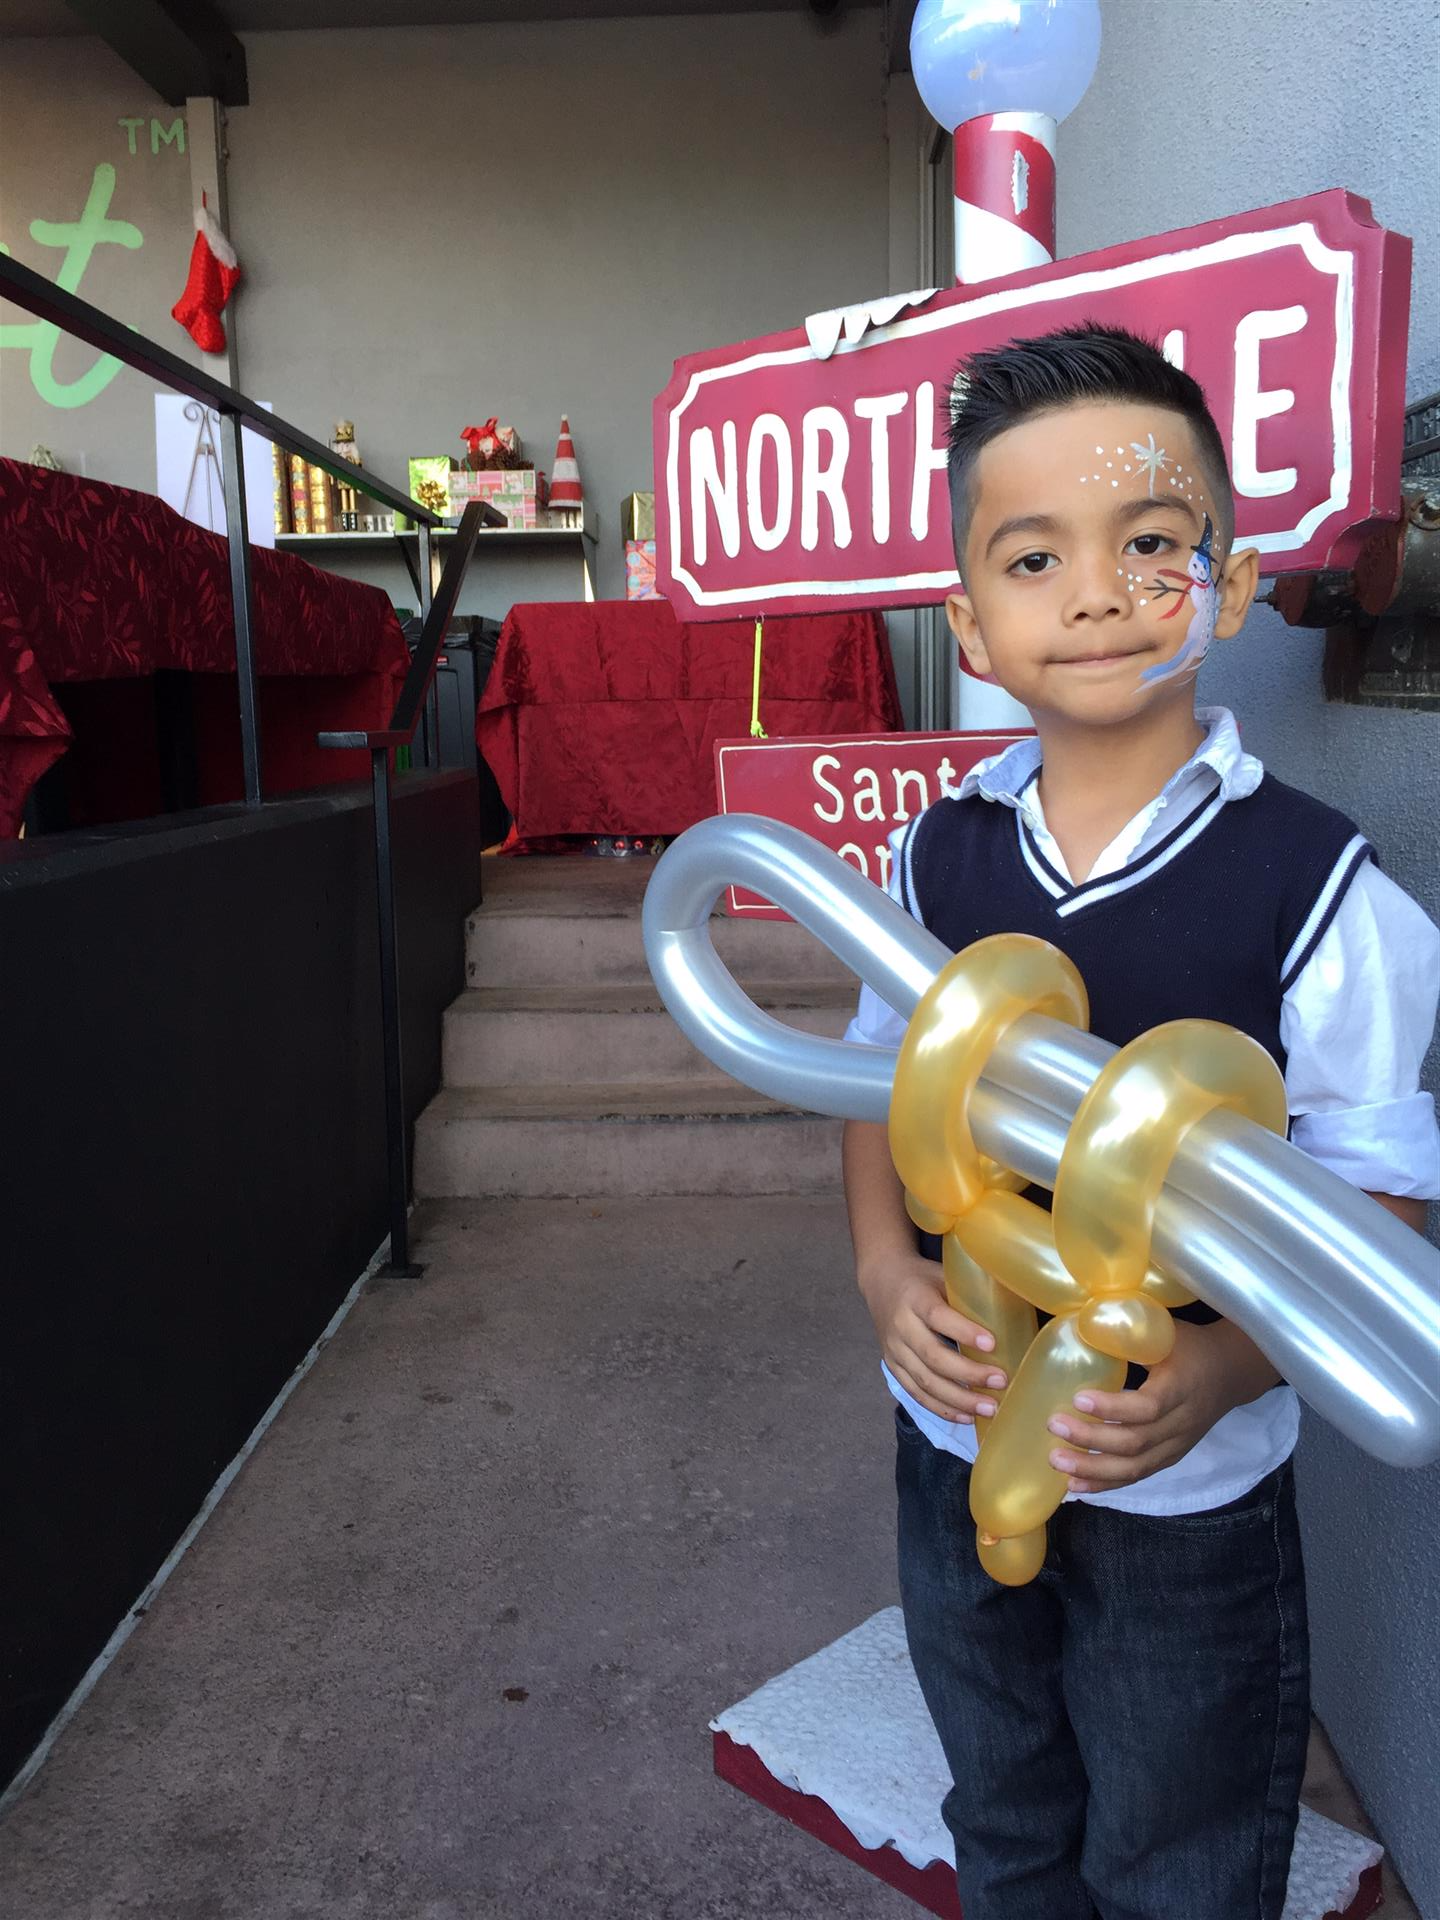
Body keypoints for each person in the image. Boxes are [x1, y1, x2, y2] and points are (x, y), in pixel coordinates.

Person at [841, 324, 1439, 1920]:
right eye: (1034, 556)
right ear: (968, 622)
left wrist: (1224, 1369)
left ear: (1228, 587)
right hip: (950, 1446)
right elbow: (870, 1089)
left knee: (1176, 1850)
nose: (1097, 591)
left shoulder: (1323, 896)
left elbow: (1385, 1216)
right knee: (1007, 1801)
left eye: (1153, 544)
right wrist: (885, 1276)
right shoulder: (928, 866)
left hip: (1188, 1489)